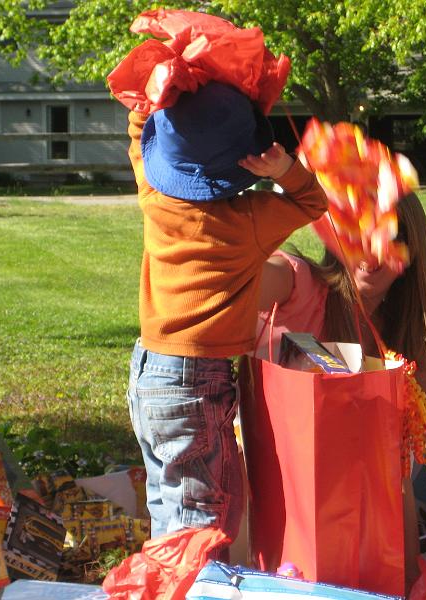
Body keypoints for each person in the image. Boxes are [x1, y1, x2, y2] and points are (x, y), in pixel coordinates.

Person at [124, 79, 327, 542]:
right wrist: (285, 168)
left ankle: (167, 590)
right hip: (196, 382)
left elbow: (138, 134)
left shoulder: (155, 199)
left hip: (148, 372)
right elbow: (312, 202)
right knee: (203, 522)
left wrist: (156, 98)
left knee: (166, 509)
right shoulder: (250, 220)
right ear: (244, 161)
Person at [255, 192, 426, 587]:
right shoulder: (304, 288)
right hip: (287, 521)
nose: (372, 255)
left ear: (411, 254)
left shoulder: (404, 336)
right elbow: (250, 281)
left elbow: (400, 474)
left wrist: (407, 580)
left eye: (389, 239)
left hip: (367, 534)